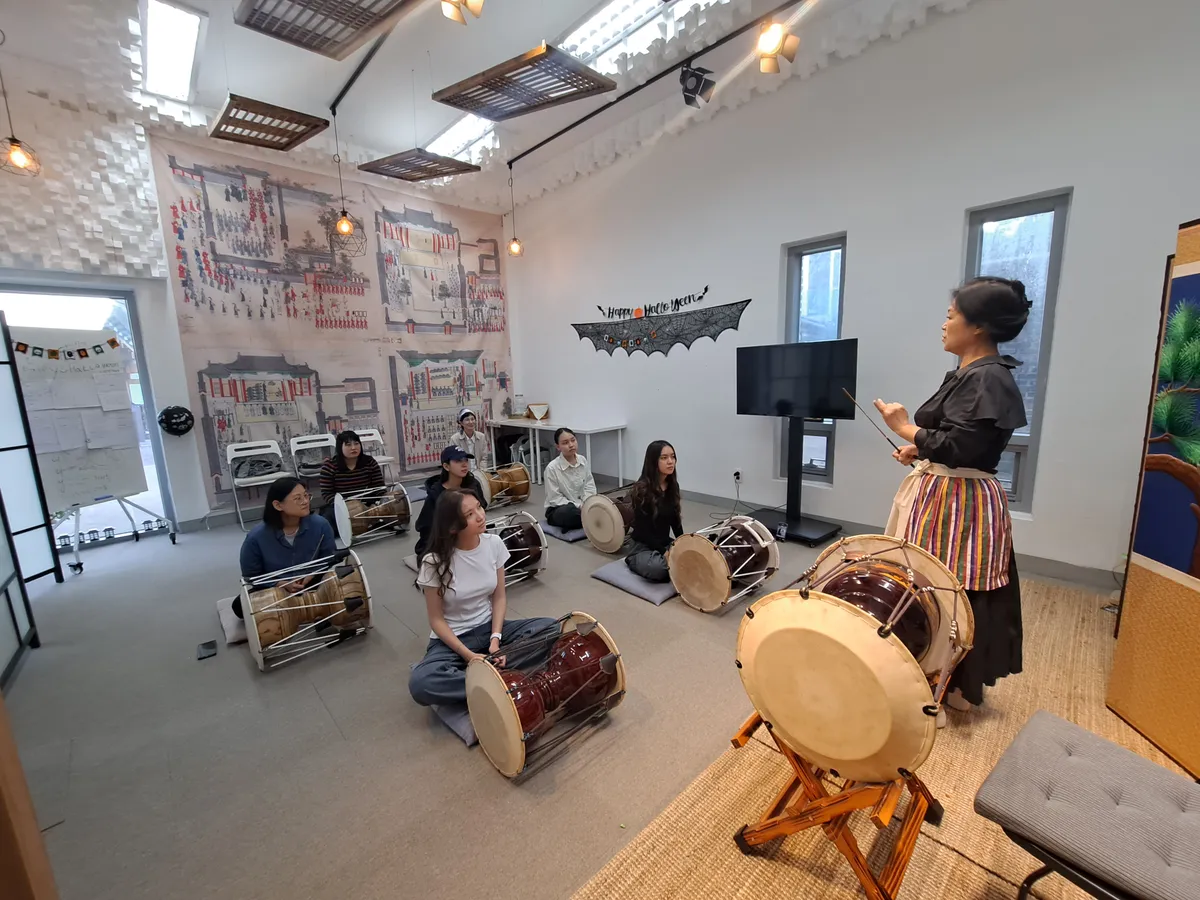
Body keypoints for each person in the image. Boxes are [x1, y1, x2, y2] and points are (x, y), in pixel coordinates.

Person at [874, 276, 1029, 718]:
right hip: (947, 492)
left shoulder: (989, 377)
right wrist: (920, 448)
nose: (944, 325)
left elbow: (962, 447)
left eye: (950, 316)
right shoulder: (974, 374)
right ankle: (942, 677)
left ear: (977, 326)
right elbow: (958, 439)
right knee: (933, 584)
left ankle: (939, 685)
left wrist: (905, 427)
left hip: (958, 502)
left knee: (947, 588)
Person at [408, 489, 561, 707]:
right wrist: (468, 655)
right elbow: (436, 620)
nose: (480, 516)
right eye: (469, 514)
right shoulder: (434, 562)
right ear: (452, 526)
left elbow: (499, 597)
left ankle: (485, 677)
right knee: (421, 683)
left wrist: (495, 640)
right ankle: (496, 679)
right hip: (453, 639)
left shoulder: (494, 543)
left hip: (489, 628)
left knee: (551, 628)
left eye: (479, 507)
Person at [235, 476, 337, 619]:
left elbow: (329, 557)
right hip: (276, 588)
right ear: (278, 505)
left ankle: (306, 607)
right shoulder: (256, 537)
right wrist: (280, 583)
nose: (305, 501)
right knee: (240, 606)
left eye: (306, 496)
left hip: (310, 581)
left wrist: (311, 575)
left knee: (345, 585)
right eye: (298, 499)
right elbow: (251, 575)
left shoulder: (321, 525)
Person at [623, 441, 682, 583]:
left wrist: (683, 543)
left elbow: (675, 520)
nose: (670, 461)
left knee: (691, 557)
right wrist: (664, 553)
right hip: (642, 547)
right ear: (653, 461)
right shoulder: (641, 490)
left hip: (663, 542)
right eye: (664, 458)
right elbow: (643, 531)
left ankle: (671, 563)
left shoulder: (673, 486)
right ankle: (633, 561)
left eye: (673, 457)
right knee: (659, 569)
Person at [414, 446, 488, 558]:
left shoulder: (473, 485)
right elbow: (426, 527)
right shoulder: (436, 494)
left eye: (465, 460)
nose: (464, 464)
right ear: (446, 466)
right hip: (445, 542)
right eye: (458, 461)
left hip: (472, 536)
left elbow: (482, 507)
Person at [317, 430, 385, 512]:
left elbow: (379, 488)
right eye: (348, 445)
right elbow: (327, 494)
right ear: (340, 447)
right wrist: (344, 506)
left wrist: (384, 499)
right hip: (341, 507)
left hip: (368, 505)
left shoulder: (370, 462)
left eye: (356, 443)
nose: (353, 448)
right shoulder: (329, 467)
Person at [543, 427, 597, 531]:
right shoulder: (552, 468)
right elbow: (555, 498)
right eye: (565, 443)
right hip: (559, 508)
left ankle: (587, 518)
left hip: (582, 505)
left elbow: (589, 485)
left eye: (573, 440)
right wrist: (579, 506)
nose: (571, 445)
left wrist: (587, 503)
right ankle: (589, 519)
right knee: (570, 514)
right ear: (558, 447)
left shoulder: (582, 460)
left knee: (607, 504)